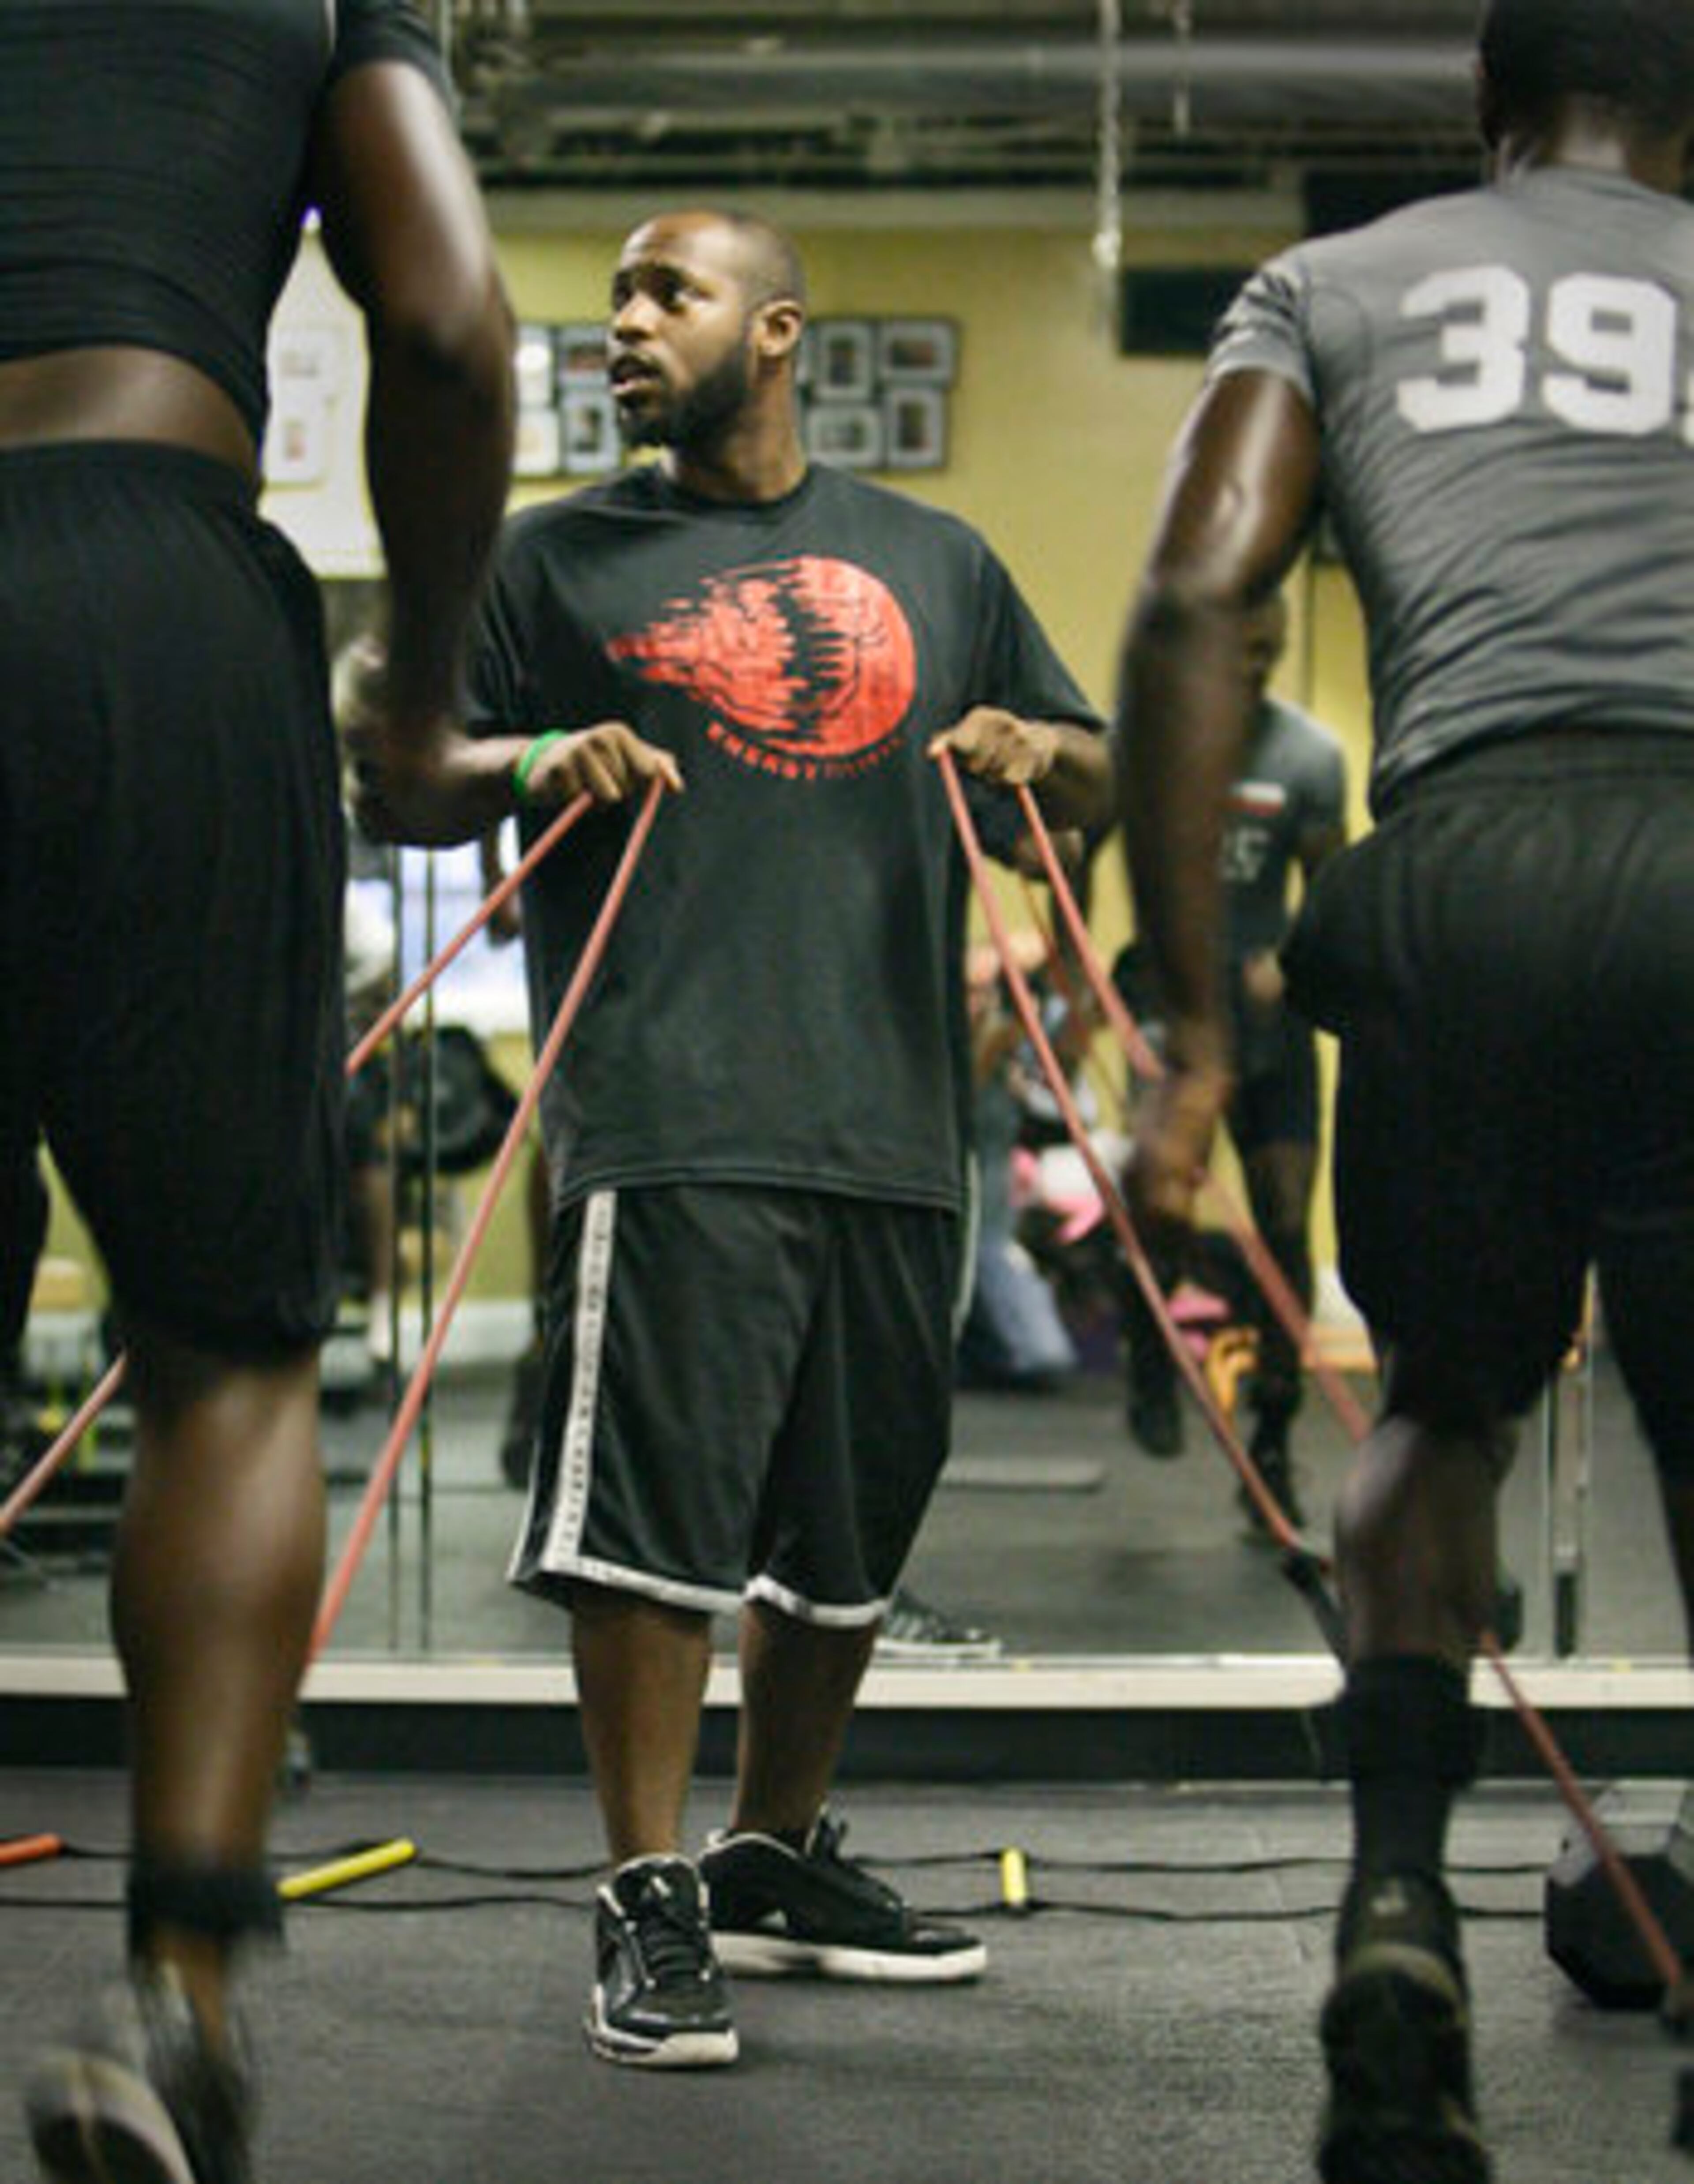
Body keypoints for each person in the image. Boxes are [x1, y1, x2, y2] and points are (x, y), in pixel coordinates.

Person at [368, 206, 1114, 2070]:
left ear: (776, 331)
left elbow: (1094, 769)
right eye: (617, 294)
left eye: (668, 293)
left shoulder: (937, 561)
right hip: (669, 1106)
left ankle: (770, 1853)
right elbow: (406, 768)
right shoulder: (550, 562)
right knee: (648, 1535)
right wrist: (532, 761)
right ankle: (646, 1887)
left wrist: (1040, 757)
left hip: (895, 1120)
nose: (626, 323)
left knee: (849, 1534)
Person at [1119, 1, 1694, 2175]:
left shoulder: (1332, 285)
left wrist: (1195, 1034)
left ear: (1487, 108)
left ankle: (1394, 1905)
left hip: (1458, 876)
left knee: (1436, 1414)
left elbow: (1199, 598)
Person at [6, 10, 515, 2181]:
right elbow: (450, 316)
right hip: (155, 590)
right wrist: (423, 692)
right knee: (224, 1352)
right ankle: (181, 1993)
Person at [1118, 592, 1345, 1535]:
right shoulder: (1155, 736)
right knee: (1163, 1206)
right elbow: (1093, 836)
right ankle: (1148, 1345)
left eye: (1267, 653)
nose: (1252, 667)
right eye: (1238, 650)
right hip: (1179, 1010)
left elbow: (1331, 890)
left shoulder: (1310, 757)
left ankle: (1274, 1442)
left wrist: (1295, 957)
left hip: (1268, 1018)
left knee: (1285, 1222)